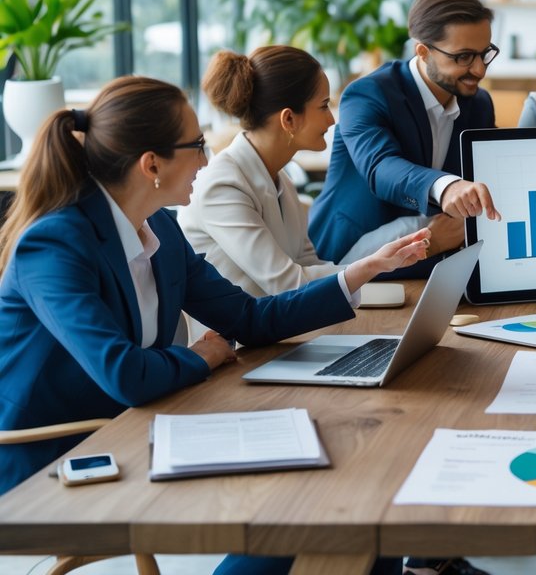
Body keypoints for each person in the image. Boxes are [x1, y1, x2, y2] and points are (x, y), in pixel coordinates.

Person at [0, 76, 428, 496]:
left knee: (349, 470)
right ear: (151, 165)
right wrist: (199, 357)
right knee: (300, 497)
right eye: (197, 146)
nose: (206, 160)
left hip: (133, 425)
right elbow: (124, 374)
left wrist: (363, 270)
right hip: (56, 458)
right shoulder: (54, 244)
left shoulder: (161, 230)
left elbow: (248, 318)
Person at [309, 0, 501, 279]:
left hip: (431, 267)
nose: (479, 70)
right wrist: (446, 187)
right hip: (350, 264)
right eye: (463, 57)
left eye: (484, 53)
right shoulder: (367, 95)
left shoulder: (479, 104)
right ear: (423, 51)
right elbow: (381, 167)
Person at [179, 45, 345, 296]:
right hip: (236, 335)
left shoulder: (281, 180)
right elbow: (287, 282)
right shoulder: (222, 185)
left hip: (286, 326)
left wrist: (378, 270)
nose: (331, 120)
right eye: (323, 106)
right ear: (288, 119)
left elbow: (308, 264)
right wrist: (374, 266)